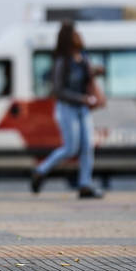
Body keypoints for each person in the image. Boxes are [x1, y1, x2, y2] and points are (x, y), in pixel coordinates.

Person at [30, 21, 104, 199]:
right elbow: (58, 90)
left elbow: (87, 80)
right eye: (74, 33)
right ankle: (40, 171)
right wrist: (82, 98)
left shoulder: (83, 58)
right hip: (67, 108)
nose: (78, 35)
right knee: (71, 148)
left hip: (83, 109)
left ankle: (85, 184)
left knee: (87, 147)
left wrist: (97, 72)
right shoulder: (62, 61)